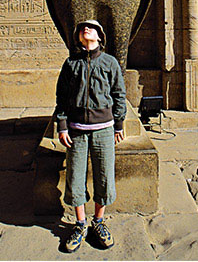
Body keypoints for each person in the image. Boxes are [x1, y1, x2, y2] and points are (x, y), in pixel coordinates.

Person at [54, 20, 126, 252]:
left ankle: (98, 221)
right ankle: (80, 223)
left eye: (91, 28)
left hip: (104, 128)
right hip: (76, 130)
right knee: (75, 177)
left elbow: (118, 93)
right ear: (78, 37)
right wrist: (62, 125)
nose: (86, 29)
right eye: (82, 28)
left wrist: (119, 123)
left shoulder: (109, 62)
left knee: (104, 175)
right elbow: (62, 96)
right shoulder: (71, 63)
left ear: (100, 36)